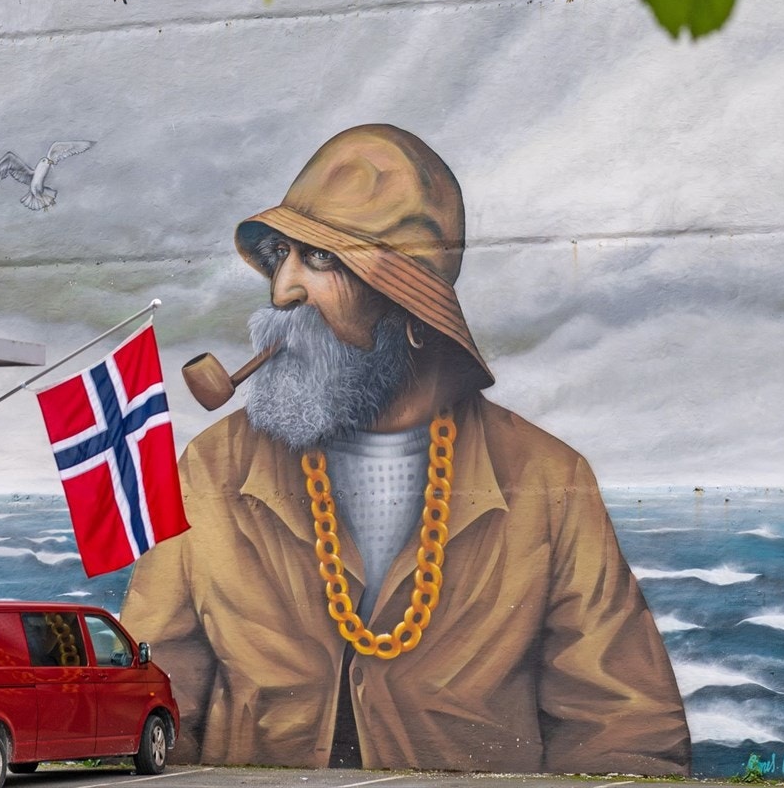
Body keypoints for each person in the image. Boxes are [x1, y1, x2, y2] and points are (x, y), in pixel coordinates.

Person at [120, 123, 690, 774]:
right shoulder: (212, 470)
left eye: (322, 260)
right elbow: (146, 698)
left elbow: (623, 731)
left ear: (410, 310)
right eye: (281, 254)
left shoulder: (546, 480)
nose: (282, 291)